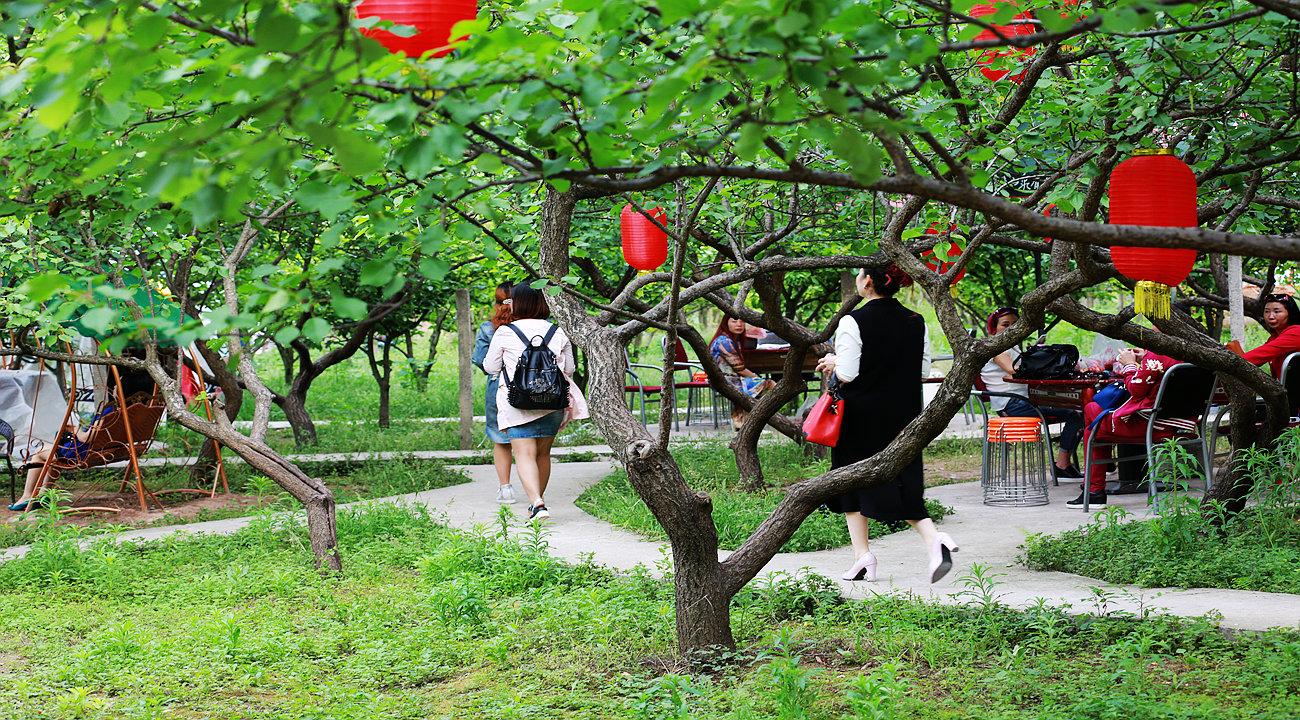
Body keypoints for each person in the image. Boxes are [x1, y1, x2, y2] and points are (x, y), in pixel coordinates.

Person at [815, 264, 959, 584]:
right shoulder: (915, 320)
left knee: (851, 481)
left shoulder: (852, 320)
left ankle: (920, 541)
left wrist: (834, 361)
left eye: (859, 274)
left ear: (868, 281)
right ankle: (869, 555)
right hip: (904, 416)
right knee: (901, 479)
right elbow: (922, 370)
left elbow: (847, 374)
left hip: (860, 418)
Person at [482, 283, 589, 521]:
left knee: (524, 454)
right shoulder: (557, 332)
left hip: (517, 402)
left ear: (518, 303)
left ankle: (537, 503)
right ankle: (537, 502)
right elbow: (569, 369)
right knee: (543, 454)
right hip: (552, 401)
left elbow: (490, 367)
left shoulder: (505, 332)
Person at [1072, 346, 1184, 507]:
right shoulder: (1195, 355)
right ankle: (1096, 483)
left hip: (1153, 426)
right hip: (1181, 424)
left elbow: (1135, 389)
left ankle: (1093, 490)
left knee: (1092, 416)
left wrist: (1129, 365)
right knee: (1095, 420)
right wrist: (1145, 356)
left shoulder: (1156, 358)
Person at [979, 307, 1084, 479]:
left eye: (1015, 323)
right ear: (994, 329)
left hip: (1024, 399)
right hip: (1012, 403)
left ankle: (1070, 462)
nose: (1011, 328)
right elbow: (1012, 370)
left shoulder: (1013, 347)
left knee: (1079, 410)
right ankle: (1062, 465)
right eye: (1005, 324)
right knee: (1074, 414)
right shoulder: (997, 348)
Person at [7, 391, 153, 512]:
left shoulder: (110, 411)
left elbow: (86, 438)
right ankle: (44, 494)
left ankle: (27, 495)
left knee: (40, 452)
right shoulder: (136, 414)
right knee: (52, 454)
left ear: (118, 391)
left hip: (81, 454)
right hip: (110, 450)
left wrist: (74, 429)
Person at [471, 281, 517, 504]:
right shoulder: (537, 325)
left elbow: (480, 359)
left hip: (498, 385)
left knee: (501, 439)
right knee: (532, 440)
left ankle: (505, 488)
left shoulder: (488, 328)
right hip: (533, 386)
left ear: (497, 302)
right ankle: (536, 492)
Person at [709, 316, 776, 429]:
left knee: (762, 386)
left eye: (742, 321)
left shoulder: (734, 339)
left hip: (733, 379)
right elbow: (739, 368)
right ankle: (748, 420)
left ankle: (743, 419)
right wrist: (757, 377)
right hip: (725, 381)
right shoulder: (724, 341)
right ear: (726, 324)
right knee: (770, 385)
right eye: (734, 321)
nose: (739, 324)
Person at [1243, 293, 1300, 378]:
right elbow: (1255, 358)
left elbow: (1260, 355)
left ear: (1290, 313)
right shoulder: (1274, 337)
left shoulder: (1296, 332)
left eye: (1277, 312)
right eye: (1267, 311)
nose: (1271, 316)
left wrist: (1230, 362)